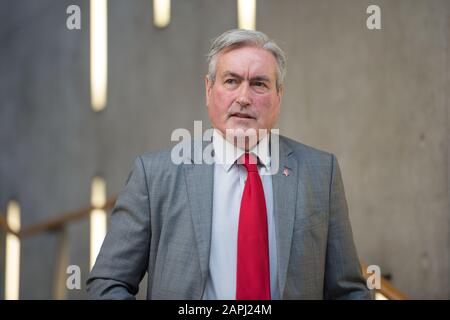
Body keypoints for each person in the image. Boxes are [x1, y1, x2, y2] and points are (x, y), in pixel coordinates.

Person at [87, 29, 371, 300]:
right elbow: (108, 283)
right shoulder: (155, 175)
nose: (244, 98)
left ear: (279, 96)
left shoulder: (321, 173)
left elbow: (348, 290)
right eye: (231, 81)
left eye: (259, 84)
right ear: (209, 89)